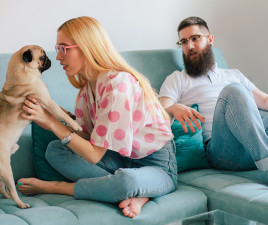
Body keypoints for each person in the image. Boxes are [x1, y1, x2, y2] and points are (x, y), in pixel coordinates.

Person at [17, 16, 177, 218]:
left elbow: (93, 155)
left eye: (64, 48)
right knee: (55, 150)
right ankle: (131, 191)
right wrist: (51, 123)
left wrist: (52, 122)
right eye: (57, 48)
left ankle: (61, 187)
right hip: (119, 159)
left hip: (157, 165)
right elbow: (89, 140)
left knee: (128, 181)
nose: (58, 57)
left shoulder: (118, 85)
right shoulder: (86, 90)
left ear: (86, 47)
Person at [159, 16, 268, 174]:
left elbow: (264, 100)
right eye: (184, 42)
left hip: (252, 141)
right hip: (222, 151)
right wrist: (173, 108)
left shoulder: (234, 74)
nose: (189, 46)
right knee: (233, 91)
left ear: (210, 39)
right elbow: (160, 109)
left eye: (195, 38)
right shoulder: (177, 78)